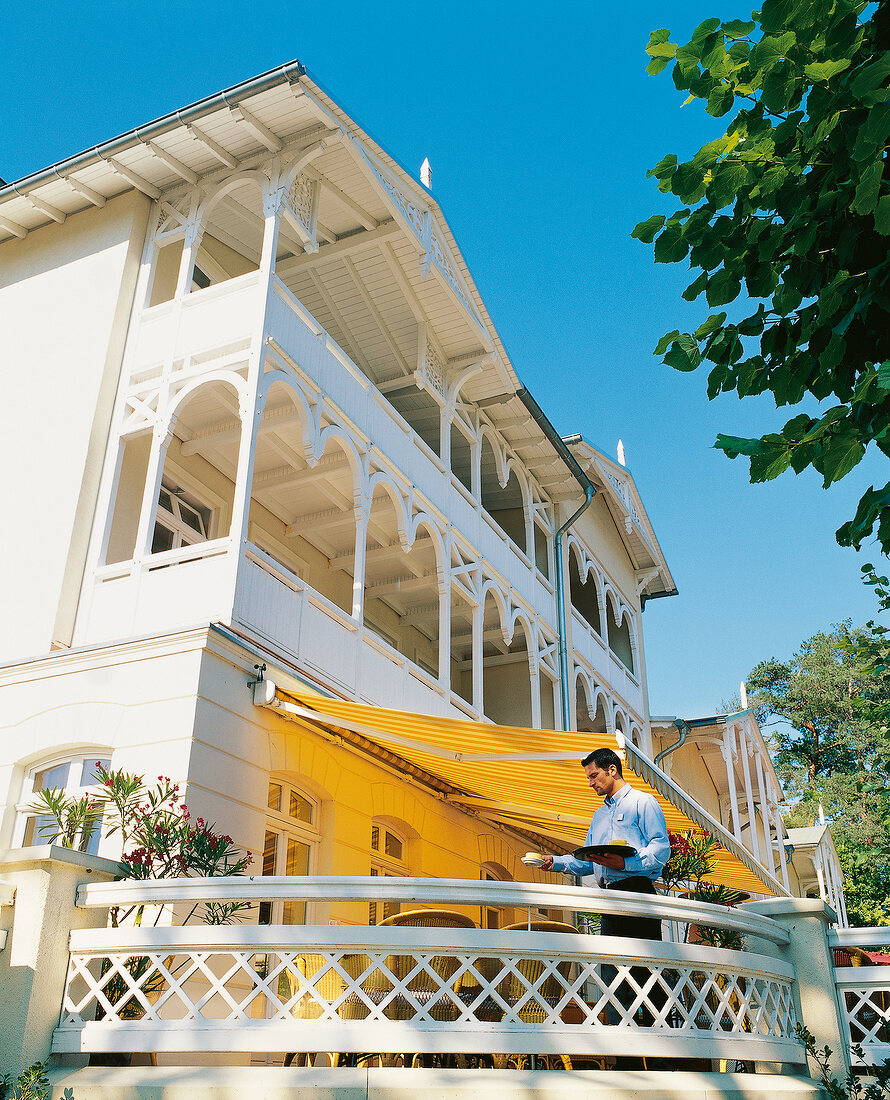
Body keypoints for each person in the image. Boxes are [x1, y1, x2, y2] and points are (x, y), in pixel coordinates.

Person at [541, 747, 670, 1034]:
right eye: (588, 777)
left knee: (647, 974)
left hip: (637, 893)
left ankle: (663, 1055)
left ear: (612, 769)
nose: (591, 782)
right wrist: (556, 862)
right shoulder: (599, 816)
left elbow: (661, 851)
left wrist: (625, 862)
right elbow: (587, 861)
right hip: (608, 899)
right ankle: (625, 1056)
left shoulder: (643, 803)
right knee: (612, 977)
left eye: (594, 775)